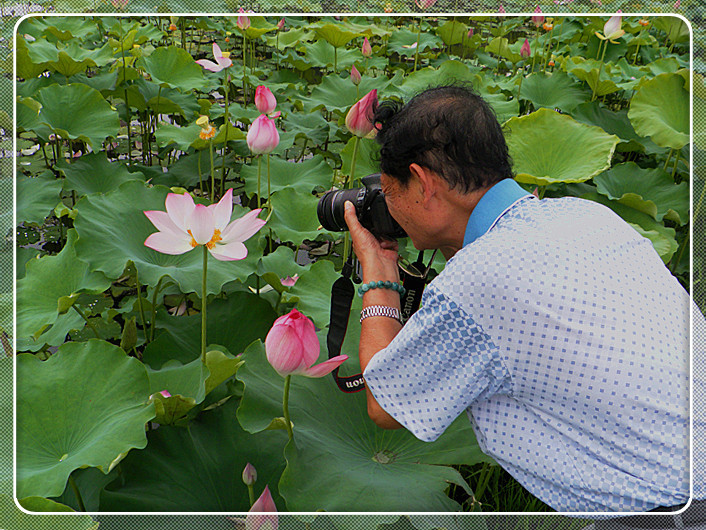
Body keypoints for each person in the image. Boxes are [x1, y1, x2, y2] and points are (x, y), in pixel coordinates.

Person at [342, 85, 701, 515]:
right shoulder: (589, 215)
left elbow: (387, 404)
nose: (389, 206)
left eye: (389, 190)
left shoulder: (477, 281)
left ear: (423, 183)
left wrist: (379, 277)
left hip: (672, 512)